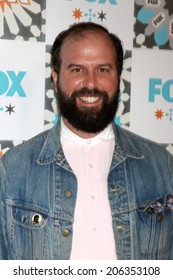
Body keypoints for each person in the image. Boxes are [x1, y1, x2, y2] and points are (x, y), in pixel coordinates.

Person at [0, 22, 173, 260]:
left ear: (119, 78)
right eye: (77, 70)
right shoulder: (12, 169)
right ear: (56, 78)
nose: (91, 83)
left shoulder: (162, 167)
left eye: (103, 69)